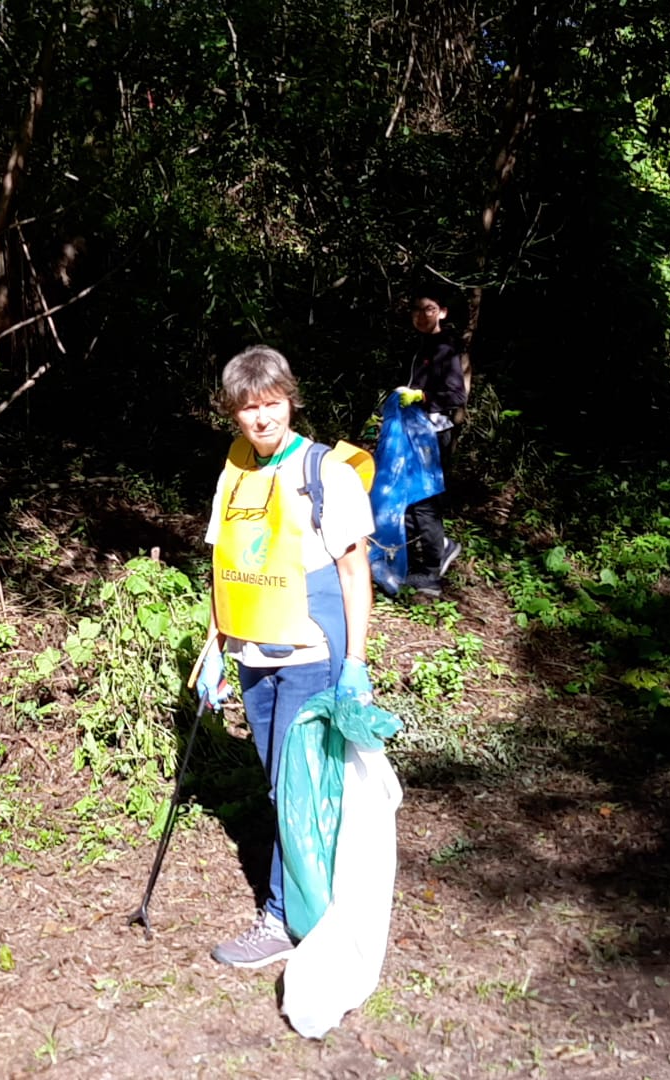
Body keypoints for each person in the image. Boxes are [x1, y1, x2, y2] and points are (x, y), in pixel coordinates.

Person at [196, 345, 375, 969]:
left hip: (313, 654)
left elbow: (355, 573)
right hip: (254, 653)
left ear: (290, 400)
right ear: (233, 414)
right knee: (280, 785)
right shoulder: (235, 473)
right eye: (249, 409)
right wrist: (214, 647)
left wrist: (355, 664)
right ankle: (312, 902)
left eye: (272, 404)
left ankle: (283, 917)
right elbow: (226, 566)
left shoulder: (326, 472)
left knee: (300, 787)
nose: (263, 419)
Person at [395, 293, 469, 596]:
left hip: (433, 434)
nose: (422, 316)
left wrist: (422, 397)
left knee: (424, 502)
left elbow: (456, 396)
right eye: (417, 310)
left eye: (429, 309)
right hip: (412, 433)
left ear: (442, 312)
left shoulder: (445, 348)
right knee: (410, 500)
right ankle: (429, 558)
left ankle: (432, 571)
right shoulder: (418, 346)